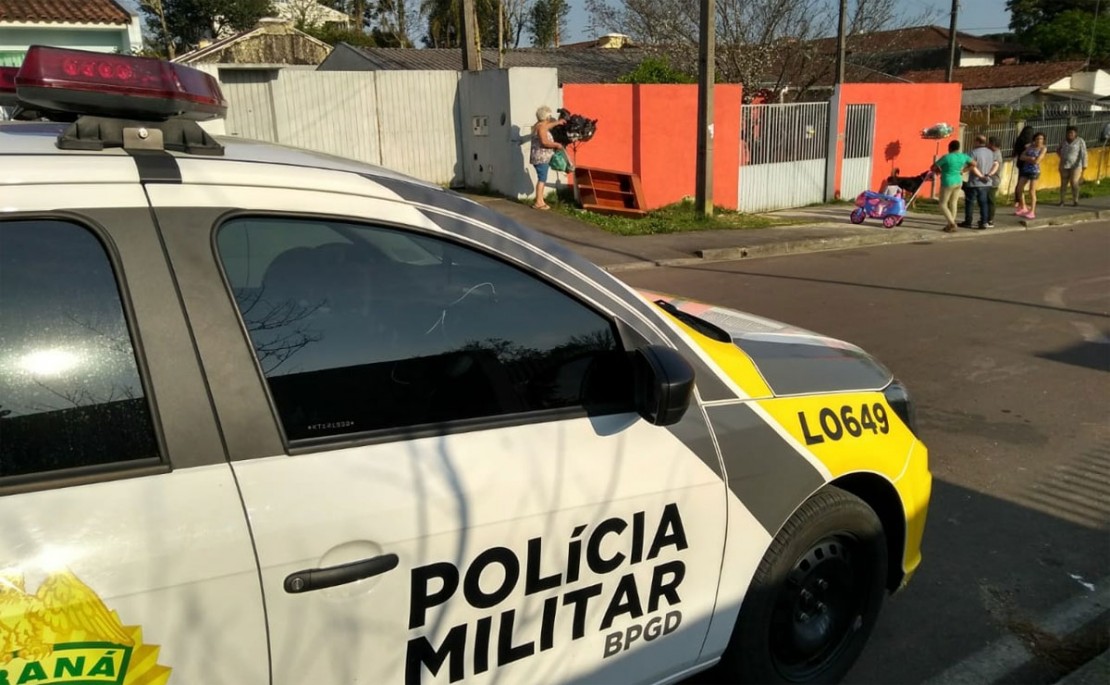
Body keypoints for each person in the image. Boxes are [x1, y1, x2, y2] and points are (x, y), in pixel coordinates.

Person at [933, 140, 984, 232]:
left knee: (942, 204)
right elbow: (974, 164)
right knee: (953, 202)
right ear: (958, 147)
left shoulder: (947, 157)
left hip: (948, 182)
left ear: (950, 148)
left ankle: (952, 223)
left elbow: (933, 167)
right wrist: (964, 170)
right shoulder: (963, 156)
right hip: (959, 181)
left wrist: (939, 170)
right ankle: (950, 224)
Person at [529, 105, 566, 210]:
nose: (550, 118)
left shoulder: (540, 125)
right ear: (546, 117)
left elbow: (547, 126)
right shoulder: (541, 127)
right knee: (542, 179)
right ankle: (539, 202)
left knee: (542, 178)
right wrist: (556, 145)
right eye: (549, 116)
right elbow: (544, 142)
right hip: (541, 158)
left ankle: (540, 201)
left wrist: (558, 122)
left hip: (540, 157)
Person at [961, 135, 998, 229]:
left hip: (974, 182)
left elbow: (972, 166)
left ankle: (968, 221)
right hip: (987, 182)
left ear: (977, 141)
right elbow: (995, 164)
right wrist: (989, 174)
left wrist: (980, 176)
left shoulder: (973, 152)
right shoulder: (991, 152)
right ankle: (984, 221)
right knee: (984, 202)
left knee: (970, 202)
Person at [1015, 131, 1047, 219]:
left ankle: (1032, 211)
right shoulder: (1030, 147)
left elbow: (1037, 161)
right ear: (1034, 139)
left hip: (1034, 171)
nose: (1039, 140)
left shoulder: (1043, 148)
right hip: (1026, 169)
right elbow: (1021, 157)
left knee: (1031, 191)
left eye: (1041, 139)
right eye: (1037, 139)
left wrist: (1030, 159)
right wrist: (1030, 158)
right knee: (1019, 188)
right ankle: (1023, 206)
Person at [1057, 125, 1088, 206]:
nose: (1070, 135)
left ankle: (1075, 200)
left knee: (1074, 182)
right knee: (1063, 183)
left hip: (1076, 165)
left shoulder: (1080, 141)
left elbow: (1084, 153)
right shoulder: (1064, 141)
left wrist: (1084, 165)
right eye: (1068, 133)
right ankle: (1062, 200)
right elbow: (1058, 149)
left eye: (1072, 133)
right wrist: (1062, 157)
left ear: (1075, 134)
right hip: (1064, 165)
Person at [1010, 125, 1035, 206]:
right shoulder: (1030, 142)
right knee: (1023, 183)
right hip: (1027, 164)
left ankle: (1017, 200)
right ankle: (1020, 201)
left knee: (1020, 182)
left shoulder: (1019, 139)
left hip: (1020, 163)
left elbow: (1014, 151)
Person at [987, 136, 1003, 225]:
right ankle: (987, 218)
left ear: (993, 145)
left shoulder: (996, 154)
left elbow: (993, 166)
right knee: (987, 200)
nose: (988, 145)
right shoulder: (994, 152)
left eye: (989, 143)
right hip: (990, 180)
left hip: (993, 180)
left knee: (990, 200)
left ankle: (990, 220)